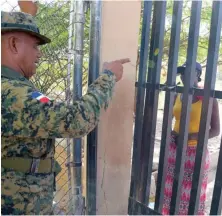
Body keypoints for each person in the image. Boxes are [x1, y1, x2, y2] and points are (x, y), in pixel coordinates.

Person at [1, 10, 130, 215]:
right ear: (14, 44)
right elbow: (77, 120)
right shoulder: (10, 92)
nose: (39, 53)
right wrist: (108, 77)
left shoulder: (16, 87)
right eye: (35, 46)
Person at [162, 62, 220, 215]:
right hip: (174, 150)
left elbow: (215, 130)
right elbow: (172, 120)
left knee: (191, 195)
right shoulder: (178, 94)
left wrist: (190, 136)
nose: (182, 76)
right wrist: (173, 134)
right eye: (181, 73)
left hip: (195, 154)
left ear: (197, 74)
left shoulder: (207, 97)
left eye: (187, 72)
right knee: (171, 190)